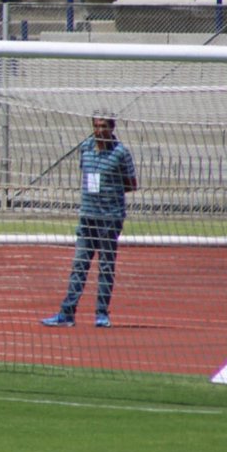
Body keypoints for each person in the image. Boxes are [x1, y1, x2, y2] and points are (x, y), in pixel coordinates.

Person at [42, 113, 138, 329]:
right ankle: (67, 313)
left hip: (110, 217)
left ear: (112, 128)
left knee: (105, 266)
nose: (99, 130)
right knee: (79, 265)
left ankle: (101, 314)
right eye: (96, 126)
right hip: (87, 216)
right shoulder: (85, 148)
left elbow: (132, 183)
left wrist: (110, 188)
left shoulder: (121, 153)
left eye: (103, 126)